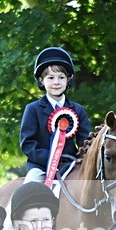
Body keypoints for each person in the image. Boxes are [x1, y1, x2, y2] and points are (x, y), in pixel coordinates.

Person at [20, 47, 91, 183]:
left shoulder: (78, 109)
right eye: (50, 78)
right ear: (41, 80)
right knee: (30, 186)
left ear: (68, 79)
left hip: (71, 165)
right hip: (40, 166)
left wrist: (79, 159)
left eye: (61, 77)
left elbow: (86, 142)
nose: (56, 82)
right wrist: (52, 158)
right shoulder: (32, 109)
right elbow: (28, 144)